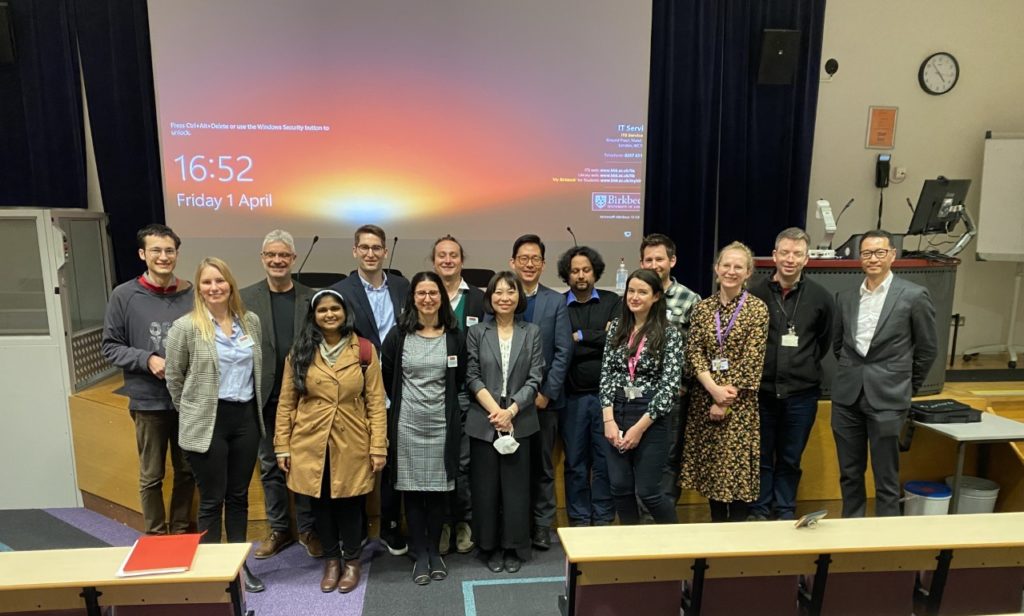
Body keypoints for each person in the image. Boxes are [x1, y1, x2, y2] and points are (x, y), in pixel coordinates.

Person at [274, 289, 387, 593]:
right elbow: (286, 402)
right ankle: (331, 560)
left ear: (344, 312)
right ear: (314, 315)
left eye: (335, 308)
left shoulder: (364, 350)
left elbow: (376, 402)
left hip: (352, 438)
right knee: (320, 503)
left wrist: (378, 446)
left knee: (350, 503)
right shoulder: (299, 351)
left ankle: (352, 561)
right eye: (322, 310)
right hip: (310, 440)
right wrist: (281, 445)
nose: (329, 315)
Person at [164, 257, 265, 592]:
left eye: (220, 281)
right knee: (211, 499)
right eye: (207, 282)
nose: (214, 288)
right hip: (209, 421)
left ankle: (238, 566)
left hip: (246, 419)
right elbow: (174, 378)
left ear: (231, 284)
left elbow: (257, 371)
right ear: (199, 287)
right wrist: (192, 411)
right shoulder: (187, 327)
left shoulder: (250, 322)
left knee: (238, 497)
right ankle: (210, 572)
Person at [832, 230, 937, 518]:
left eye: (879, 252)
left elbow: (927, 349)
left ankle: (886, 539)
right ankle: (851, 531)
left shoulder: (914, 295)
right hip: (847, 397)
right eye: (866, 253)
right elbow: (838, 345)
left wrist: (906, 386)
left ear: (892, 255)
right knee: (849, 473)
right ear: (859, 258)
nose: (873, 259)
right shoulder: (845, 297)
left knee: (886, 478)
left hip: (889, 397)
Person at [101, 224, 195, 537]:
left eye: (169, 251)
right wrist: (147, 359)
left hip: (188, 400)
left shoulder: (192, 294)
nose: (163, 256)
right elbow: (110, 346)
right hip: (148, 400)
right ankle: (155, 535)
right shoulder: (124, 295)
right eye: (156, 250)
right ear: (143, 254)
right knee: (152, 474)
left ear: (177, 255)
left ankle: (180, 531)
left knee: (187, 471)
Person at [380, 271, 467, 585]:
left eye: (433, 293)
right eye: (421, 293)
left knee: (439, 492)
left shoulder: (455, 335)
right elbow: (388, 377)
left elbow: (462, 379)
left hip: (443, 424)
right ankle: (419, 554)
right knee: (413, 492)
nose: (428, 299)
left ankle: (434, 550)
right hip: (407, 424)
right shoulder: (398, 335)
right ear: (412, 298)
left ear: (441, 298)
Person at [240, 230, 321, 559]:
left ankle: (307, 529)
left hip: (304, 396)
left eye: (283, 255)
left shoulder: (311, 298)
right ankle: (279, 529)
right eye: (271, 255)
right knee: (270, 464)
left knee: (303, 465)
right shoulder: (244, 298)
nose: (277, 260)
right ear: (263, 258)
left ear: (292, 258)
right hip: (262, 395)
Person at [329, 224, 410, 555]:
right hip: (357, 389)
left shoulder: (405, 287)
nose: (371, 253)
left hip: (401, 384)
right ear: (355, 251)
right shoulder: (340, 291)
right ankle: (358, 529)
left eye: (377, 248)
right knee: (358, 458)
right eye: (365, 247)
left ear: (385, 251)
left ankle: (391, 527)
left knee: (393, 462)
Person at [748, 228, 835, 521]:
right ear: (774, 255)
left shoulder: (821, 298)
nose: (790, 259)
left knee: (790, 458)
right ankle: (759, 511)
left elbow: (823, 342)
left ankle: (785, 511)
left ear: (807, 259)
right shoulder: (753, 294)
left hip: (801, 394)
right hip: (762, 393)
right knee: (761, 458)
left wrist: (801, 364)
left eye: (797, 253)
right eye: (784, 252)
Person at [681, 242, 768, 522]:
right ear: (716, 269)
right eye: (726, 265)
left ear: (748, 272)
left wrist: (725, 400)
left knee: (736, 478)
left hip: (738, 406)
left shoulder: (757, 310)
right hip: (705, 399)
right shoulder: (702, 309)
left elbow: (752, 359)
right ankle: (715, 536)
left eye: (738, 267)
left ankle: (737, 541)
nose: (731, 271)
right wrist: (713, 390)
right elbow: (694, 352)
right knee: (712, 474)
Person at [465, 271, 544, 573]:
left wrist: (510, 411)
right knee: (485, 489)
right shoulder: (476, 332)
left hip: (520, 419)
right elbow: (471, 375)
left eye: (510, 292)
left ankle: (513, 546)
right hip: (484, 419)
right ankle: (489, 546)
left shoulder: (532, 332)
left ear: (518, 297)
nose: (504, 297)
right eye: (498, 292)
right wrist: (495, 412)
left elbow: (536, 377)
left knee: (516, 489)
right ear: (490, 297)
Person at [598, 268, 683, 524]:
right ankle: (631, 547)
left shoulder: (669, 333)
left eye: (642, 292)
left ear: (656, 296)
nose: (635, 297)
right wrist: (609, 421)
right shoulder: (616, 330)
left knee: (649, 492)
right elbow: (606, 376)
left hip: (650, 415)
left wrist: (639, 429)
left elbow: (669, 387)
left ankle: (680, 547)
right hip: (618, 409)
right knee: (620, 489)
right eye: (631, 291)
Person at [508, 234, 571, 550]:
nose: (529, 264)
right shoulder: (502, 297)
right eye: (523, 258)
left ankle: (542, 525)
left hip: (544, 402)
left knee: (543, 466)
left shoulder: (555, 301)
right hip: (508, 403)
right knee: (512, 467)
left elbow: (563, 350)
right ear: (513, 263)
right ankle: (516, 524)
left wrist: (547, 392)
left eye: (535, 259)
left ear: (543, 264)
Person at [557, 246, 620, 526]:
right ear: (566, 275)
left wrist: (580, 336)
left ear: (595, 272)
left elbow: (617, 342)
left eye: (586, 270)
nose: (581, 276)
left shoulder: (612, 301)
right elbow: (560, 349)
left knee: (605, 462)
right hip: (572, 399)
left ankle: (604, 519)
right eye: (575, 271)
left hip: (608, 399)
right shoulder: (558, 305)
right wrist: (598, 338)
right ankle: (580, 520)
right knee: (575, 465)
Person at [431, 235, 484, 555]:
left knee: (464, 463)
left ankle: (464, 522)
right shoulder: (423, 295)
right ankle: (443, 523)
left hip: (469, 395)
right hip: (432, 395)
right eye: (441, 255)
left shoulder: (478, 298)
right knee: (438, 463)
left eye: (453, 255)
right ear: (433, 261)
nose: (447, 260)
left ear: (461, 260)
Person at [639, 233, 700, 507]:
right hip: (637, 394)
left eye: (659, 259)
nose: (654, 265)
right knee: (638, 453)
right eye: (648, 259)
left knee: (668, 456)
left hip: (674, 394)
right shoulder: (634, 295)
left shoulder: (690, 299)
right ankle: (639, 522)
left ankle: (660, 522)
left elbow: (698, 349)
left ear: (672, 261)